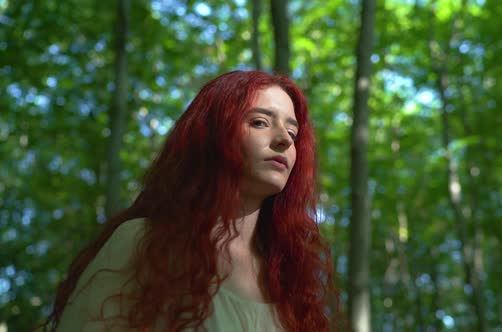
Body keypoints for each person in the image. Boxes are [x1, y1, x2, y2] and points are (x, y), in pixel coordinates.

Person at [42, 71, 339, 331]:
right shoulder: (145, 243)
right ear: (212, 136)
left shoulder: (290, 281)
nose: (285, 140)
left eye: (292, 131)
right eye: (260, 122)